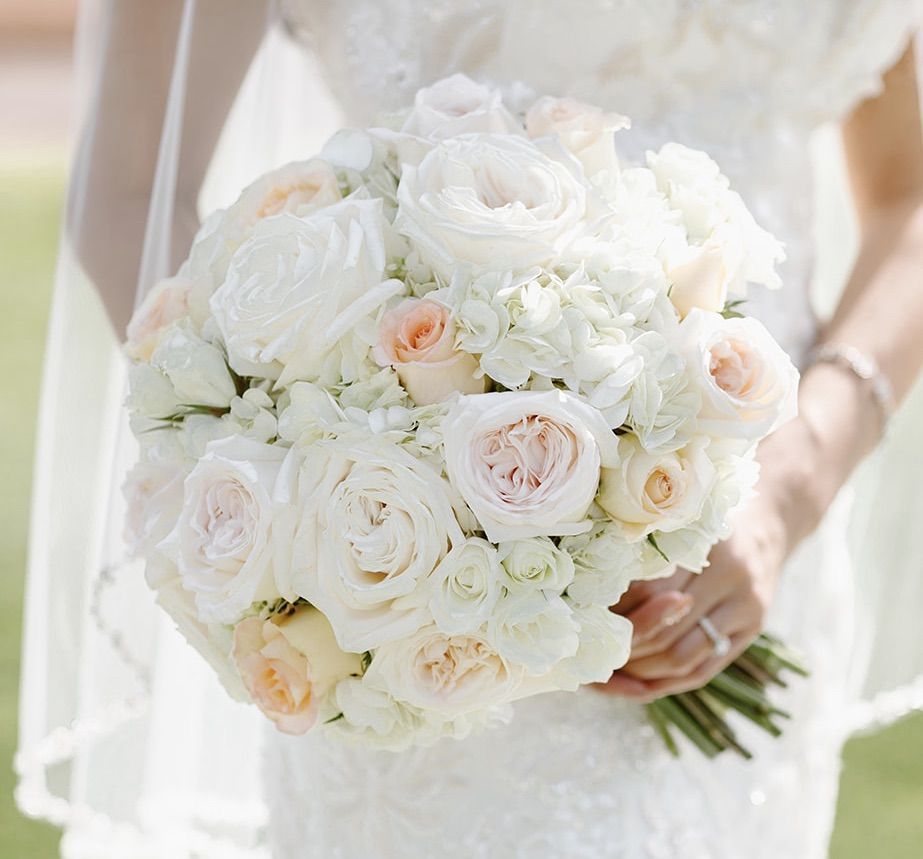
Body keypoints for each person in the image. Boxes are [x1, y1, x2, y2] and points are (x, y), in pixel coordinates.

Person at [16, 2, 923, 857]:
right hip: (406, 584)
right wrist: (308, 462)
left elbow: (906, 199)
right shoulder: (383, 535)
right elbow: (129, 192)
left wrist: (788, 492)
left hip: (764, 556)